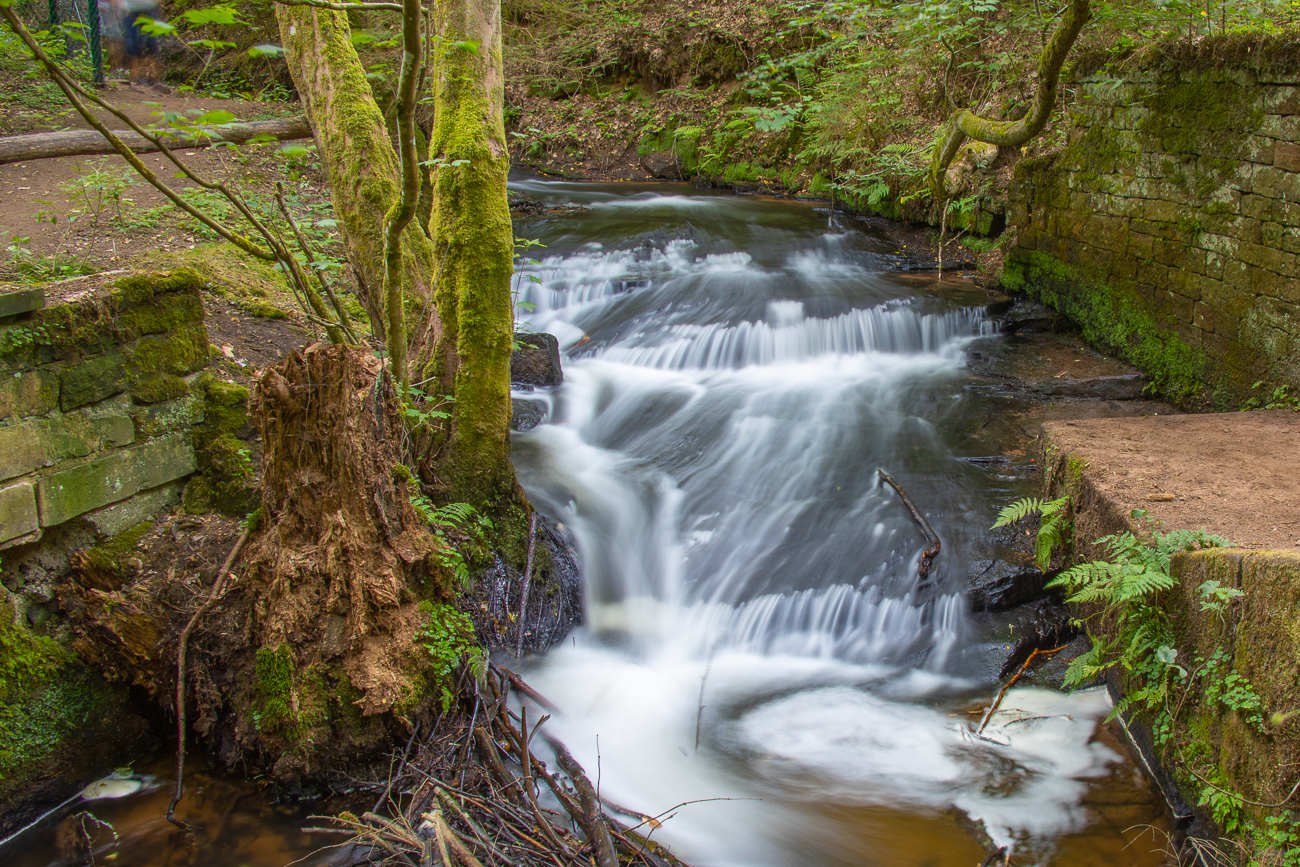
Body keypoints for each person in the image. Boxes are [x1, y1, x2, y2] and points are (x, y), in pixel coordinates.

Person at [112, 0, 161, 84]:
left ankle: (155, 77)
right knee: (132, 44)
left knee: (151, 42)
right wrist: (120, 5)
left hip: (147, 8)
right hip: (129, 11)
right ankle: (135, 77)